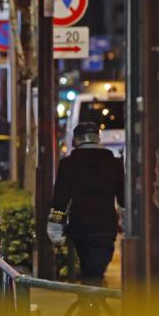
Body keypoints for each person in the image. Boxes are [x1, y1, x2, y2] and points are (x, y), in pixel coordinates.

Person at [47, 122, 125, 286]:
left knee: (88, 270)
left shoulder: (68, 164)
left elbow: (60, 201)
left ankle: (89, 297)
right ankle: (92, 295)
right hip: (106, 227)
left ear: (76, 140)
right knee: (95, 272)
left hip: (80, 227)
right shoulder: (114, 164)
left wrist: (55, 231)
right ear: (98, 138)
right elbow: (124, 200)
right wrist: (128, 226)